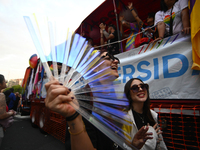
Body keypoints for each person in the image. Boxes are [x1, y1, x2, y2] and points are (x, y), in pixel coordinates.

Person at [45, 51, 154, 150]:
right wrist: (73, 118)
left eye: (114, 58)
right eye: (108, 57)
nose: (115, 61)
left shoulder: (114, 99)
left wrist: (133, 145)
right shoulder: (84, 98)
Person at [123, 78, 167, 150]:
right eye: (135, 88)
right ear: (129, 94)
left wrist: (155, 141)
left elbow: (160, 145)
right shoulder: (125, 117)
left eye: (143, 86)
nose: (140, 89)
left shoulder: (153, 115)